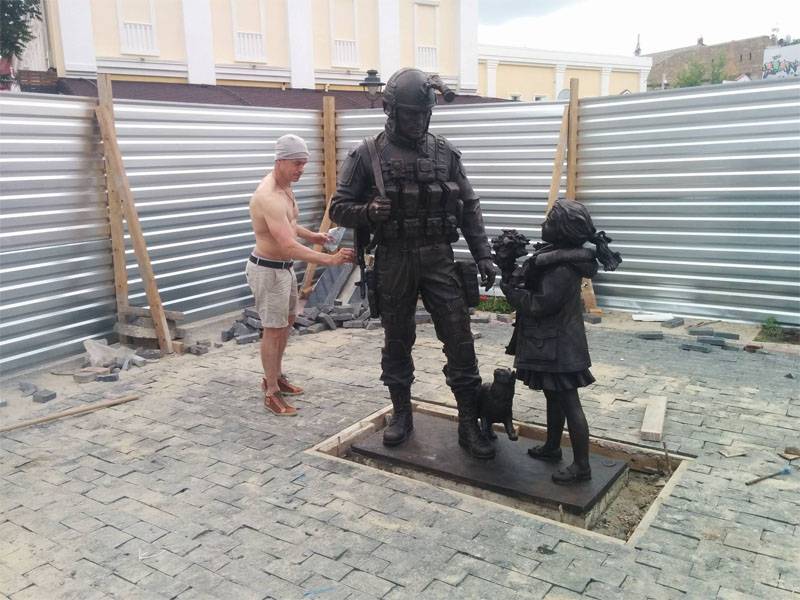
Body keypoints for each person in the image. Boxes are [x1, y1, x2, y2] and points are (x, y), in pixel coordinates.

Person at [330, 68, 498, 459]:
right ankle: (402, 415)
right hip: (395, 260)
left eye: (424, 114)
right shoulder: (366, 155)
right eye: (411, 114)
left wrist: (483, 254)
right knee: (398, 340)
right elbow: (338, 208)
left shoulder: (444, 152)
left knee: (459, 341)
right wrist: (369, 210)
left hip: (439, 258)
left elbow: (469, 206)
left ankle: (468, 424)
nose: (418, 121)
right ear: (389, 109)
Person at [500, 199, 621, 483]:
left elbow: (540, 305)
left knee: (569, 402)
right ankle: (553, 446)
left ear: (563, 230)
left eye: (549, 221)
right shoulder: (556, 257)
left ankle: (582, 465)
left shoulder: (563, 268)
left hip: (561, 346)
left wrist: (510, 292)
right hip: (554, 342)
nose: (543, 225)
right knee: (554, 396)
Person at [247, 134, 354, 416]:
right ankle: (270, 391)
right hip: (267, 271)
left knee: (286, 324)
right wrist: (329, 260)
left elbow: (289, 226)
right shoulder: (268, 196)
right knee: (273, 329)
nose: (301, 169)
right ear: (280, 161)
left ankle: (277, 376)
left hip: (283, 271)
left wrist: (316, 236)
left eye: (304, 164)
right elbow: (288, 245)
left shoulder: (285, 188)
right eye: (296, 163)